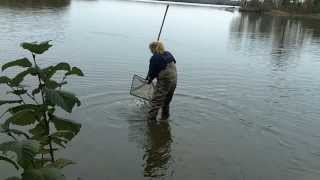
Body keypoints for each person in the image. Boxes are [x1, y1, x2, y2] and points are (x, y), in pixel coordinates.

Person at [146, 41, 177, 121]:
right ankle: (165, 119)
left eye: (151, 49)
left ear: (153, 49)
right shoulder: (168, 54)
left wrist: (149, 80)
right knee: (166, 101)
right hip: (174, 79)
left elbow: (152, 72)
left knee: (155, 101)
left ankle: (150, 122)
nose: (150, 51)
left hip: (165, 80)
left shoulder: (155, 58)